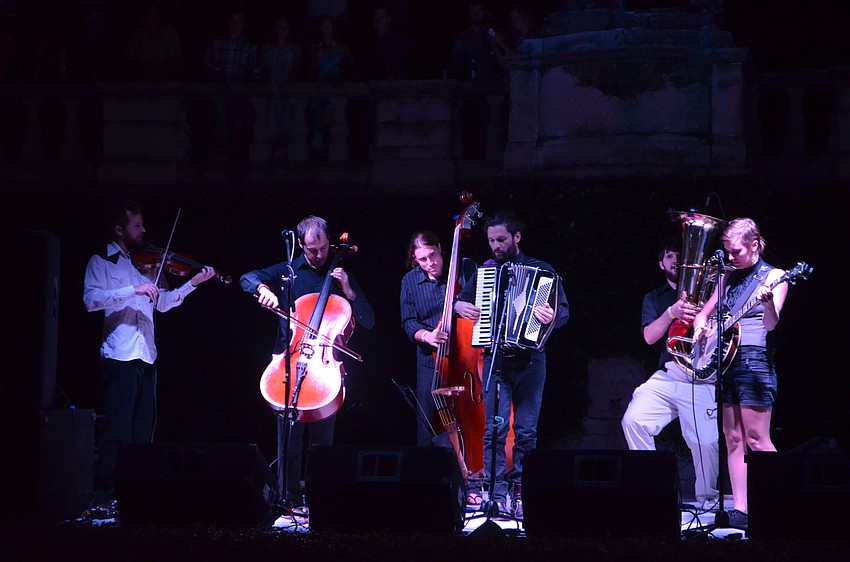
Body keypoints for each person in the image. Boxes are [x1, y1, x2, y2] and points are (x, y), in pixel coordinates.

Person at [82, 199, 217, 515]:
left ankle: (137, 493)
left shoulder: (145, 264)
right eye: (137, 226)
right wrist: (134, 290)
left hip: (146, 355)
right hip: (119, 354)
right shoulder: (101, 261)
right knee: (117, 430)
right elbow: (90, 301)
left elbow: (164, 303)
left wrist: (193, 283)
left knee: (143, 432)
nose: (143, 231)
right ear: (120, 229)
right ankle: (107, 495)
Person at [240, 215, 374, 513]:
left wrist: (349, 291)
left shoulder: (339, 273)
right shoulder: (288, 271)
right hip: (291, 361)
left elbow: (368, 320)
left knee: (322, 443)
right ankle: (287, 498)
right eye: (312, 250)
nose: (318, 255)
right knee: (288, 439)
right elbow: (246, 277)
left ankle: (321, 499)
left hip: (324, 369)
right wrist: (262, 290)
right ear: (300, 245)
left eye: (323, 248)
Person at [454, 212, 569, 520]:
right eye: (491, 240)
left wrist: (550, 317)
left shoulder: (542, 271)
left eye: (501, 240)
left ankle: (520, 491)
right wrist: (458, 306)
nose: (496, 246)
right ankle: (496, 494)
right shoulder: (485, 273)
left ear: (517, 237)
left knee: (526, 431)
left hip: (531, 361)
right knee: (494, 429)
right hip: (496, 358)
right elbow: (461, 302)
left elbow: (564, 312)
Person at [692, 217, 787, 530]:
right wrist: (700, 328)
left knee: (758, 439)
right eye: (726, 251)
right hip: (726, 359)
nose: (730, 257)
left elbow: (771, 324)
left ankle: (780, 502)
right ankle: (741, 509)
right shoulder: (727, 275)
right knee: (733, 439)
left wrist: (769, 303)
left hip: (755, 361)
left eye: (735, 251)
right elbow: (705, 314)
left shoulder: (775, 277)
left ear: (755, 245)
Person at [621, 238, 720, 511]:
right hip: (669, 374)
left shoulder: (710, 291)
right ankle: (652, 492)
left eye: (680, 253)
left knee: (706, 441)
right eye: (669, 256)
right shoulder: (654, 298)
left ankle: (709, 500)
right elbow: (649, 338)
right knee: (634, 420)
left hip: (702, 377)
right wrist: (670, 313)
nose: (676, 259)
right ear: (661, 264)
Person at [399, 231, 449, 448]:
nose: (430, 263)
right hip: (429, 360)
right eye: (422, 259)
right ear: (415, 260)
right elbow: (409, 322)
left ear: (440, 248)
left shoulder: (462, 270)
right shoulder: (410, 281)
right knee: (427, 425)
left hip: (465, 357)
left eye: (433, 255)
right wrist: (427, 336)